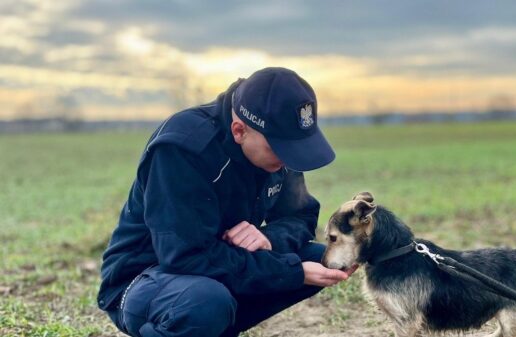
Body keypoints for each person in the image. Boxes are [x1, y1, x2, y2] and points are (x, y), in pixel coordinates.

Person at [97, 67, 355, 337]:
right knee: (206, 303)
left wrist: (269, 240)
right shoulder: (182, 148)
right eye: (279, 149)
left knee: (322, 259)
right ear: (239, 130)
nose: (288, 159)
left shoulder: (276, 144)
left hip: (212, 271)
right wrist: (289, 272)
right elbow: (185, 256)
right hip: (148, 277)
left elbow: (301, 215)